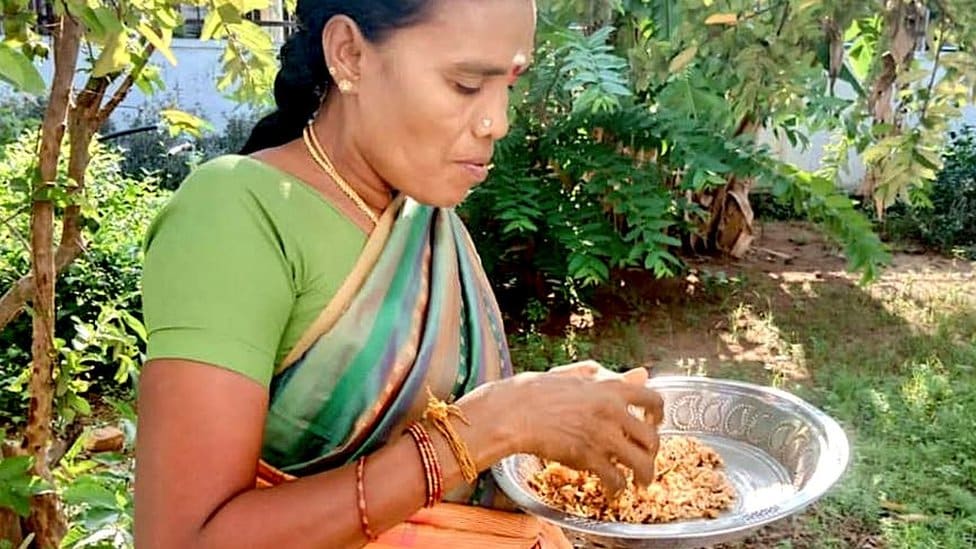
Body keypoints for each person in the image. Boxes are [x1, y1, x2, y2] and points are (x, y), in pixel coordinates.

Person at [134, 1, 665, 547]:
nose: (498, 122)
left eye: (509, 84)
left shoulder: (424, 215)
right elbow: (181, 539)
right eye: (465, 84)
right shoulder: (236, 214)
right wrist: (487, 426)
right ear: (350, 55)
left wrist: (544, 413)